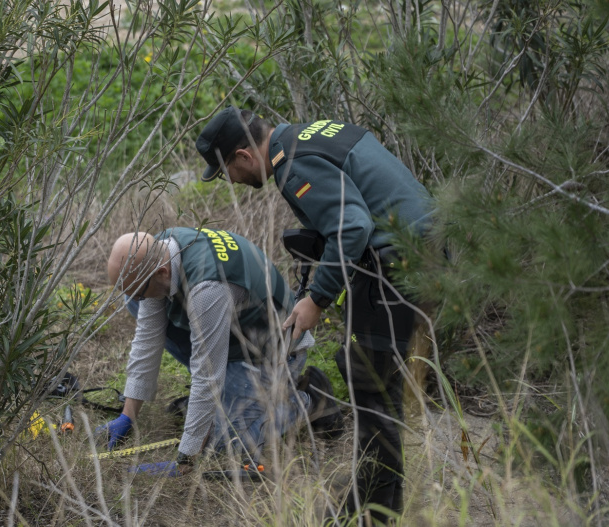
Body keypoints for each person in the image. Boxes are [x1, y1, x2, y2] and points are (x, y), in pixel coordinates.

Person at [195, 107, 434, 521]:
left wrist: (317, 299)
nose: (233, 182)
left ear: (243, 155)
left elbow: (353, 227)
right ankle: (373, 506)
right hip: (420, 255)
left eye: (227, 172)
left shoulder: (293, 165)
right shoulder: (310, 136)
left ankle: (371, 515)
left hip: (397, 267)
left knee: (372, 388)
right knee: (379, 389)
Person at [98, 227, 343, 476]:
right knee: (138, 305)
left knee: (224, 442)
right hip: (233, 335)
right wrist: (128, 416)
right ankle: (221, 401)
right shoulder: (161, 248)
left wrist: (186, 459)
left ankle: (308, 402)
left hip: (270, 352)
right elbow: (148, 339)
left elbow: (207, 376)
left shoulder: (207, 288)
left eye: (139, 291)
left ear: (161, 272)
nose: (138, 298)